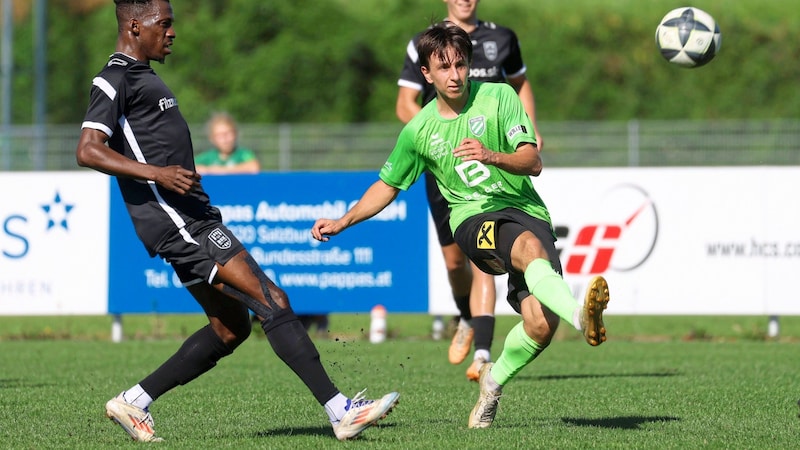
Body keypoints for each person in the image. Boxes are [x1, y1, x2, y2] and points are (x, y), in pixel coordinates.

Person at [76, 0, 398, 442]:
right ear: (135, 25)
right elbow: (88, 149)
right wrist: (158, 173)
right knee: (274, 301)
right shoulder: (113, 77)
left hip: (192, 217)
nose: (172, 32)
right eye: (163, 24)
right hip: (180, 222)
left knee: (230, 329)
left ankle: (134, 401)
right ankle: (340, 410)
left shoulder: (144, 75)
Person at [312, 22, 609, 429]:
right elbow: (387, 185)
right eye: (444, 67)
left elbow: (533, 162)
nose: (455, 75)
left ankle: (493, 381)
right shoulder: (418, 130)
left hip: (525, 208)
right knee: (525, 247)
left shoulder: (500, 96)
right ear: (427, 74)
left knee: (540, 324)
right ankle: (581, 316)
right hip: (472, 219)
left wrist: (491, 155)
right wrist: (344, 220)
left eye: (461, 65)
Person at [396, 0, 544, 382]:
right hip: (446, 161)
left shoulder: (502, 37)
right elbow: (404, 105)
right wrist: (437, 139)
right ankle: (465, 316)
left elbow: (520, 84)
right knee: (454, 263)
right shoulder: (424, 43)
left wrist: (529, 128)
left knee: (485, 256)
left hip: (489, 164)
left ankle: (482, 351)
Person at [195, 112, 260, 175]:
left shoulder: (243, 154)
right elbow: (193, 167)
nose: (225, 139)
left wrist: (220, 170)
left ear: (235, 133)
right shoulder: (207, 157)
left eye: (228, 133)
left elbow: (254, 167)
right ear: (212, 138)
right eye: (220, 135)